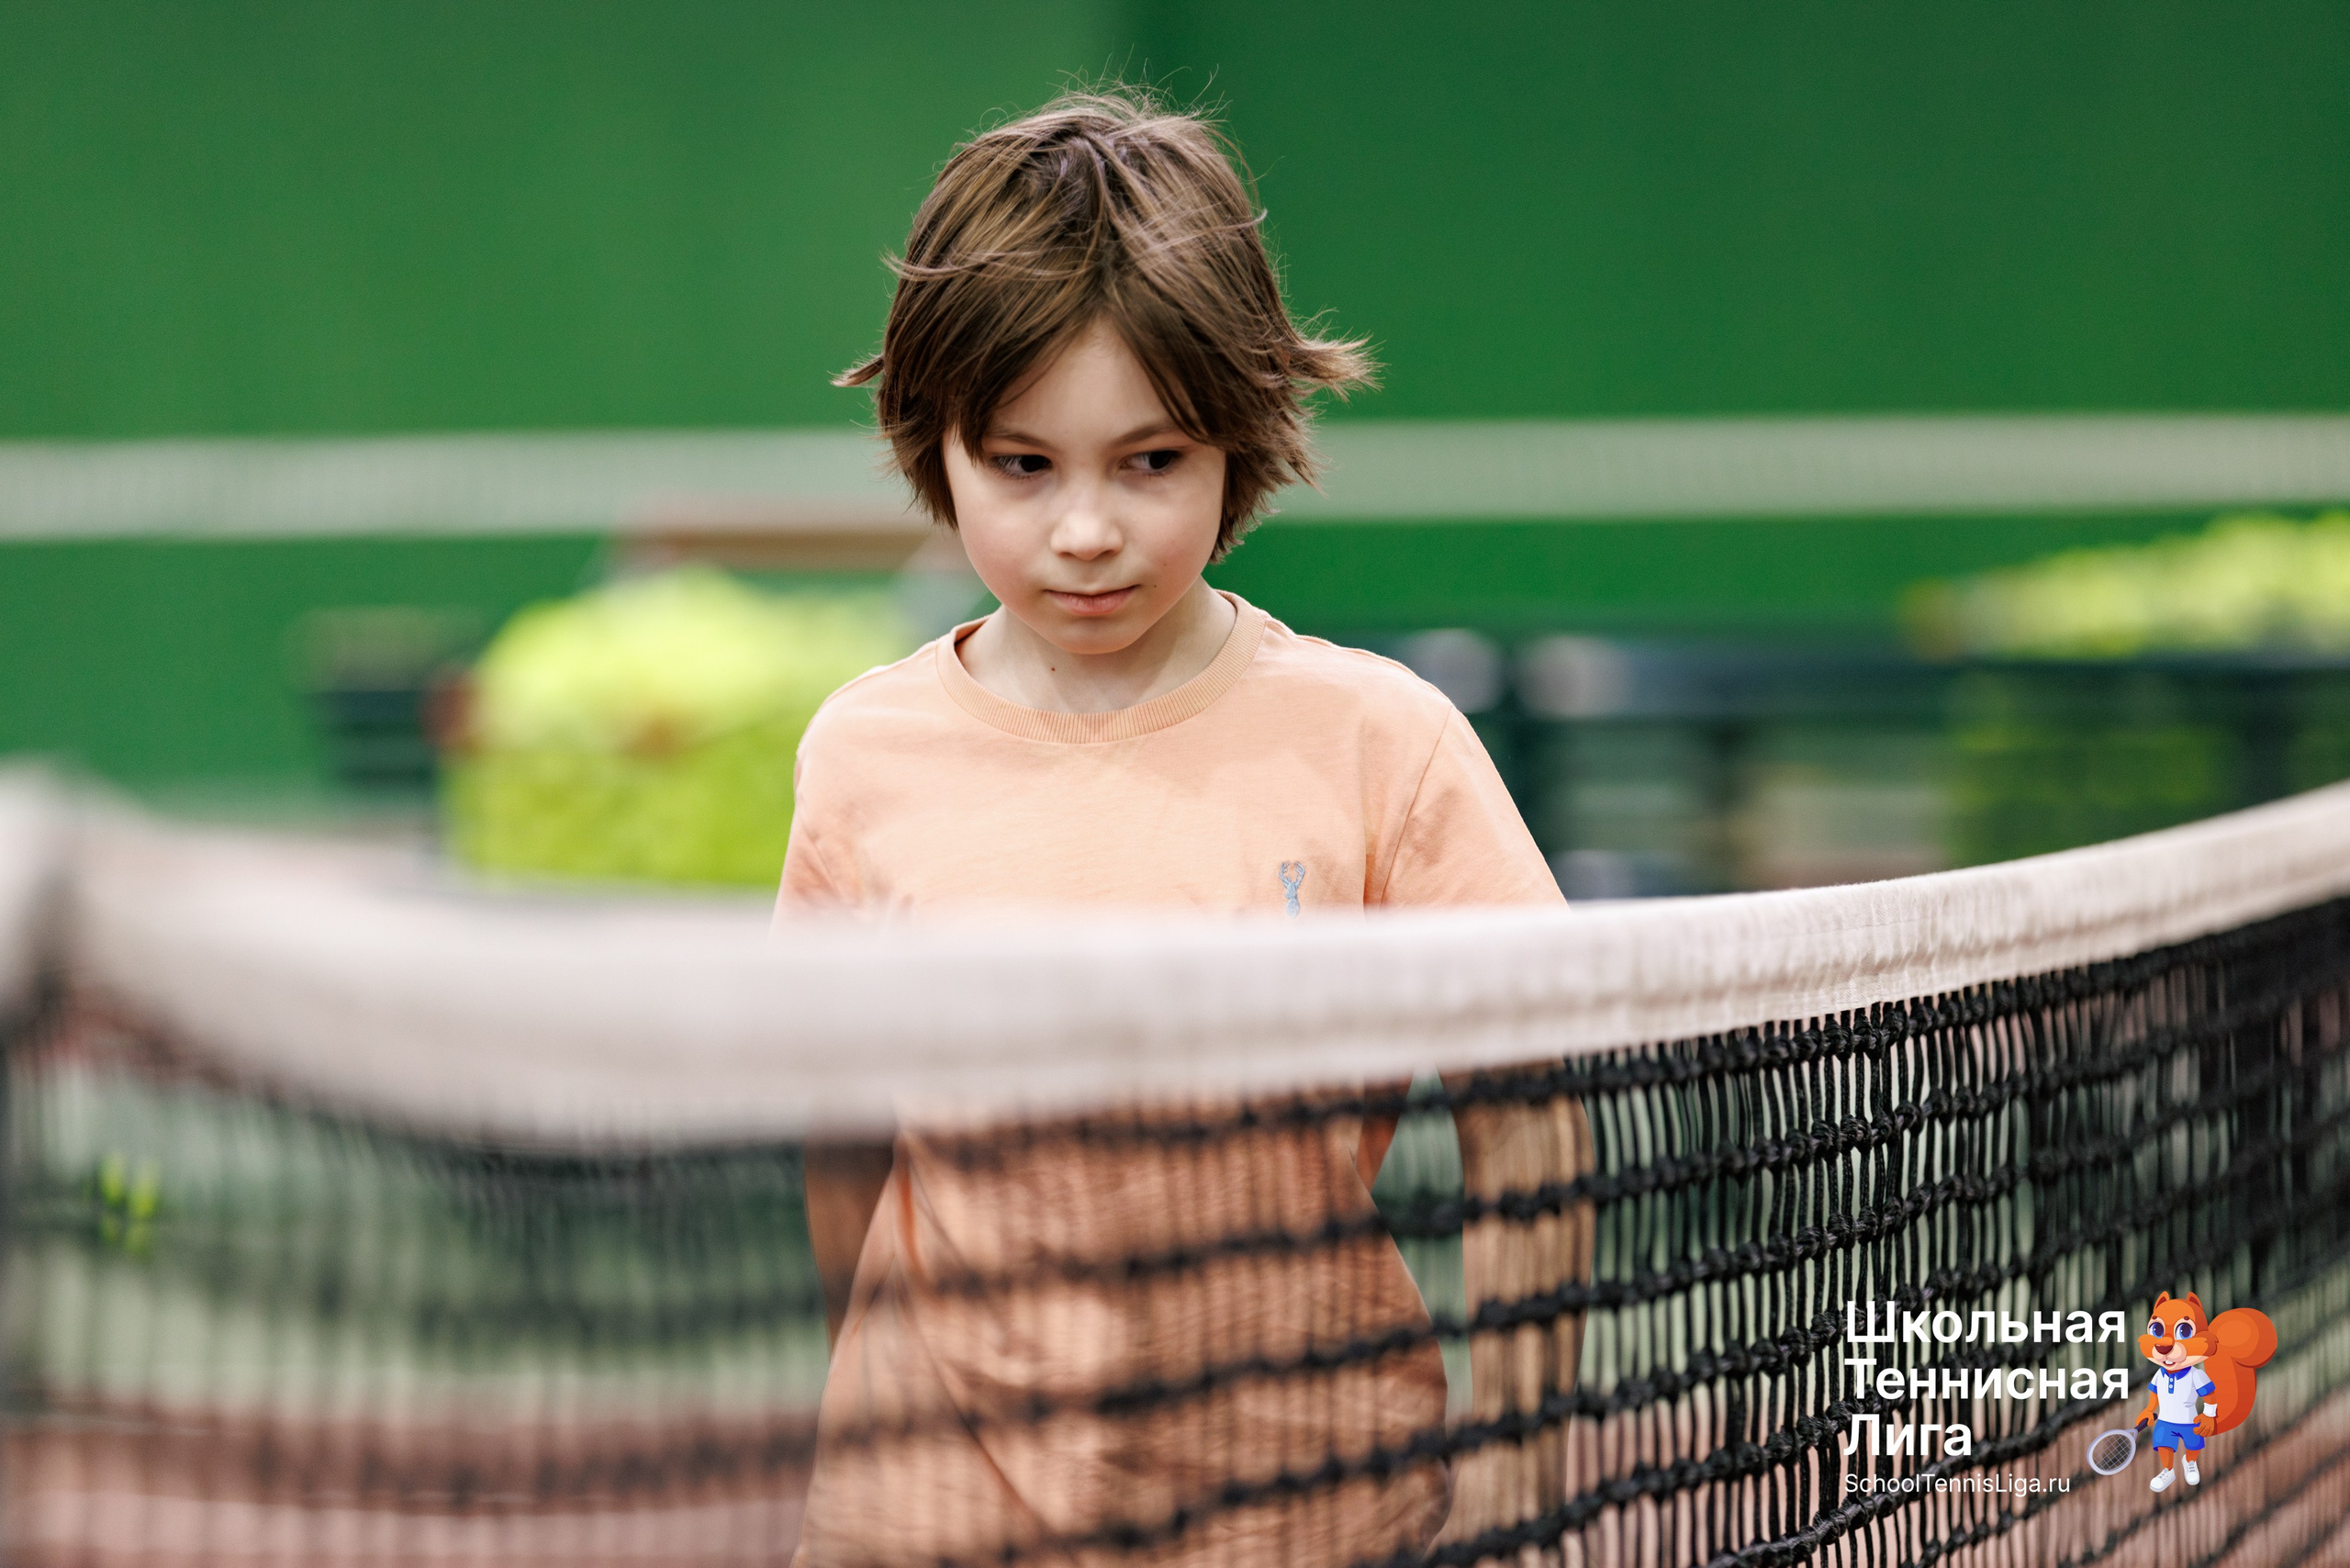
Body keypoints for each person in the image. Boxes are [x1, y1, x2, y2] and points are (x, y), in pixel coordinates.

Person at [779, 87, 1583, 1566]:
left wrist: (1528, 1481)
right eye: (1023, 466)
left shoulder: (1381, 740)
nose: (1085, 528)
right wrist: (870, 1409)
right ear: (935, 447)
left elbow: (1531, 1112)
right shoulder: (862, 755)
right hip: (925, 1520)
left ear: (1237, 442)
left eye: (1150, 462)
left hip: (1299, 1510)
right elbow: (841, 1126)